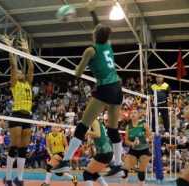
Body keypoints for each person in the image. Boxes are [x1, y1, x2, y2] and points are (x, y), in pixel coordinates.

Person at [52, 1, 123, 175]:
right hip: (118, 87)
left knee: (83, 125)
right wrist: (92, 12)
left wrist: (82, 65)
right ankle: (118, 164)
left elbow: (77, 73)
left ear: (94, 35)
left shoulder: (90, 50)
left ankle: (66, 161)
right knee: (113, 129)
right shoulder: (108, 44)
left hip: (105, 88)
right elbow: (99, 27)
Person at [3, 36, 34, 186]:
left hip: (27, 115)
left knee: (23, 148)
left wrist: (26, 51)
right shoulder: (14, 83)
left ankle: (19, 178)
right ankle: (8, 177)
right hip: (16, 114)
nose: (21, 72)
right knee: (14, 146)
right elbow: (14, 66)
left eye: (22, 72)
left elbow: (31, 67)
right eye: (19, 72)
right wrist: (10, 49)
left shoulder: (28, 82)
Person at [121, 109, 152, 186]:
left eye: (135, 113)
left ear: (138, 115)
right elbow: (126, 141)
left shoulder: (143, 124)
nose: (133, 114)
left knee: (141, 170)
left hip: (144, 150)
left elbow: (150, 136)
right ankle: (124, 183)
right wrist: (132, 143)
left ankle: (142, 184)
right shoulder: (128, 127)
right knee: (124, 169)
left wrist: (145, 140)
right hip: (133, 150)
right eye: (131, 113)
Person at [83, 119, 113, 186]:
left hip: (104, 152)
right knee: (93, 173)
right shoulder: (96, 124)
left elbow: (97, 134)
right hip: (106, 152)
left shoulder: (94, 121)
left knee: (87, 173)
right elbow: (97, 137)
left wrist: (87, 132)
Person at [176, 105, 189, 186]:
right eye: (184, 109)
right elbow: (187, 144)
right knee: (181, 181)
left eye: (187, 109)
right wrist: (176, 147)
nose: (184, 110)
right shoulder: (187, 126)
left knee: (181, 181)